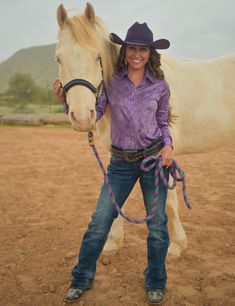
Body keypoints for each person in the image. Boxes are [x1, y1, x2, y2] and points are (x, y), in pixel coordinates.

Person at [54, 22, 173, 305]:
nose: (137, 54)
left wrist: (168, 145)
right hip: (120, 162)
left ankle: (155, 281)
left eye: (143, 49)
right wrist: (65, 103)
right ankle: (81, 278)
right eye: (132, 48)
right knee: (100, 221)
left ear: (150, 53)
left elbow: (162, 120)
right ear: (125, 51)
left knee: (157, 226)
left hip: (153, 161)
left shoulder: (159, 85)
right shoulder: (112, 82)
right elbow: (95, 112)